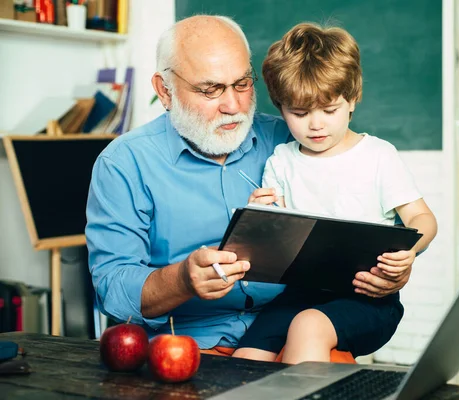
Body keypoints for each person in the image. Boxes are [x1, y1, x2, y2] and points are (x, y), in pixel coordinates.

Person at [85, 15, 409, 352]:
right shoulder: (124, 163)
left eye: (242, 84)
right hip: (190, 346)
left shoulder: (293, 138)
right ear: (164, 90)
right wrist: (182, 279)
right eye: (210, 90)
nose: (233, 106)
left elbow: (370, 223)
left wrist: (393, 271)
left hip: (292, 331)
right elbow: (113, 289)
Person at [231, 23, 438, 365]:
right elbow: (277, 240)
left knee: (308, 326)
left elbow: (423, 219)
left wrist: (410, 251)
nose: (315, 125)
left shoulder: (377, 156)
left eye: (329, 110)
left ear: (353, 99)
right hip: (299, 294)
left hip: (368, 297)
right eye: (298, 113)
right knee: (246, 358)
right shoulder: (282, 161)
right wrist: (262, 220)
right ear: (280, 106)